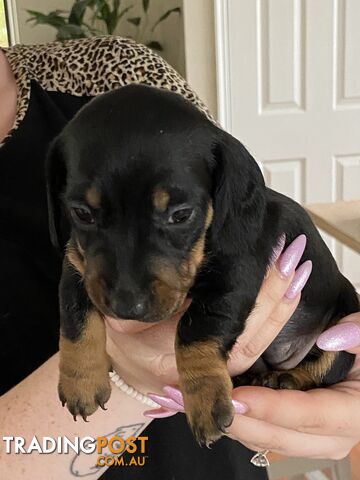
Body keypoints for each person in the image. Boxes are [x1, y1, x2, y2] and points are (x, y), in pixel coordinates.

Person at [0, 35, 359, 480]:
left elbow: (233, 254)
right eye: (84, 215)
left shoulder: (112, 69)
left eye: (177, 215)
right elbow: (74, 279)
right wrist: (113, 370)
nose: (127, 293)